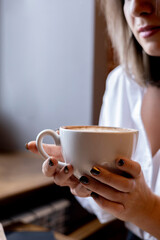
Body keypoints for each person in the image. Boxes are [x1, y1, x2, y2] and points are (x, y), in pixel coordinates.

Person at [26, 0, 160, 239]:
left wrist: (147, 208)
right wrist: (85, 180)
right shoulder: (121, 82)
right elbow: (111, 210)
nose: (137, 7)